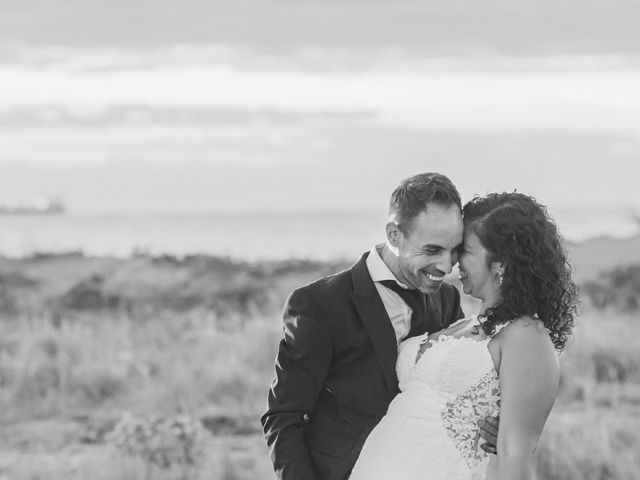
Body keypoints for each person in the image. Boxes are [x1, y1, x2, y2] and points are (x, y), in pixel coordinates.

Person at [262, 172, 482, 480]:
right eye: (432, 250)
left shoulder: (446, 298)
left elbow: (452, 392)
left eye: (454, 250)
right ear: (394, 235)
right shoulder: (319, 304)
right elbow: (283, 415)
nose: (446, 267)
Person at [349, 192, 578, 480]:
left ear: (501, 262)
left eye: (465, 251)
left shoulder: (526, 337)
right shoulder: (463, 324)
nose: (453, 262)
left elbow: (514, 456)